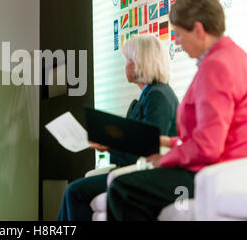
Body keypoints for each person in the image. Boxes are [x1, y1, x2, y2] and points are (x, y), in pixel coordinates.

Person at [106, 0, 247, 221]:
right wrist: (170, 142)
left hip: (213, 172)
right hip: (232, 168)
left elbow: (208, 146)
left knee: (123, 189)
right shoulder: (236, 56)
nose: (176, 42)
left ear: (198, 30)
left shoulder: (215, 66)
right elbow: (211, 133)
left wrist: (163, 159)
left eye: (178, 34)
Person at [58, 34, 179, 221]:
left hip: (143, 172)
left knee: (74, 192)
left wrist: (109, 146)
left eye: (129, 60)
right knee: (73, 191)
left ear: (142, 62)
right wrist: (108, 143)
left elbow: (148, 147)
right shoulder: (150, 95)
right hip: (130, 167)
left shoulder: (158, 96)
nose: (126, 66)